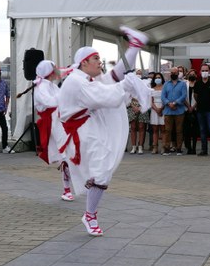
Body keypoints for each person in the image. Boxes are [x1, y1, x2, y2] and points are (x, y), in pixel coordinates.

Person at [58, 26, 150, 236]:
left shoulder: (85, 77)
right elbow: (107, 95)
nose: (100, 62)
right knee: (101, 170)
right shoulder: (77, 81)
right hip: (81, 133)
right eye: (96, 58)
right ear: (84, 63)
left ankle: (89, 213)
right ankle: (89, 214)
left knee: (102, 170)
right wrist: (127, 85)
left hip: (87, 128)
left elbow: (114, 78)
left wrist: (134, 47)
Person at [32, 60, 75, 201]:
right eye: (54, 68)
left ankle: (68, 189)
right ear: (49, 72)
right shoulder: (41, 87)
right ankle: (67, 189)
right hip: (52, 122)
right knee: (65, 154)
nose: (57, 70)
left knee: (67, 154)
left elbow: (62, 74)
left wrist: (74, 69)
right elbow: (50, 102)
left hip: (59, 120)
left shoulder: (48, 84)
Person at [162, 66, 188, 155]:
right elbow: (163, 97)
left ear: (178, 73)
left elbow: (184, 96)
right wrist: (169, 103)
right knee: (167, 130)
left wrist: (175, 103)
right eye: (172, 73)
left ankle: (179, 148)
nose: (173, 74)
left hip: (179, 110)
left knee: (179, 130)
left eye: (175, 73)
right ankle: (166, 148)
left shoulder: (183, 84)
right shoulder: (166, 84)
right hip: (168, 111)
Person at [183, 69, 200, 154]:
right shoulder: (184, 84)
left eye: (194, 74)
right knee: (187, 130)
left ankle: (194, 148)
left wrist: (193, 107)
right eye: (190, 74)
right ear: (188, 75)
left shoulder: (198, 84)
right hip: (186, 109)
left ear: (196, 76)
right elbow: (183, 96)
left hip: (195, 109)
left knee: (195, 130)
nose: (192, 75)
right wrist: (188, 106)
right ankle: (188, 148)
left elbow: (200, 97)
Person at [149, 72, 166, 154]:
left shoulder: (165, 88)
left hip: (163, 109)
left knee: (163, 129)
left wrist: (161, 109)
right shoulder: (151, 89)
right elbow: (150, 101)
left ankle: (163, 147)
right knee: (155, 130)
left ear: (162, 79)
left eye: (159, 77)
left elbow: (166, 100)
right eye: (156, 78)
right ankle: (155, 147)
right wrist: (156, 109)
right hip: (154, 110)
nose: (157, 79)